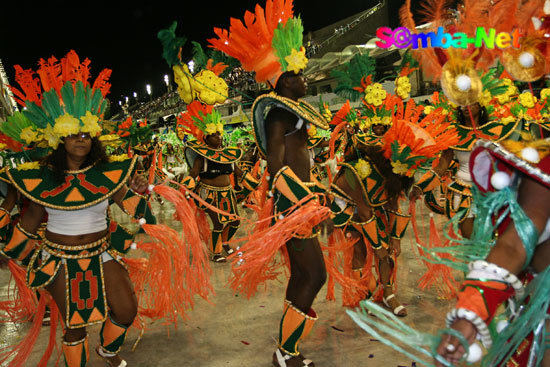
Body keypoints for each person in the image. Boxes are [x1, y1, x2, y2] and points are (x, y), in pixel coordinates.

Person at [209, 1, 333, 365]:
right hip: (294, 207)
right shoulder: (278, 113)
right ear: (279, 79)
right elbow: (276, 167)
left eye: (301, 71)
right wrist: (308, 202)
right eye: (294, 73)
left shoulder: (289, 111)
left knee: (303, 276)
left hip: (300, 205)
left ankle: (287, 351)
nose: (303, 77)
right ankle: (287, 351)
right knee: (315, 275)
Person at [179, 101, 243, 262]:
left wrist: (252, 184)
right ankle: (216, 252)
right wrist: (184, 189)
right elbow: (193, 173)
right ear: (206, 138)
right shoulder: (201, 157)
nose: (218, 137)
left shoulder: (228, 154)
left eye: (219, 134)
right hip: (209, 194)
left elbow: (238, 172)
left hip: (227, 193)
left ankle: (225, 243)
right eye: (214, 135)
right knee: (219, 223)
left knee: (235, 221)